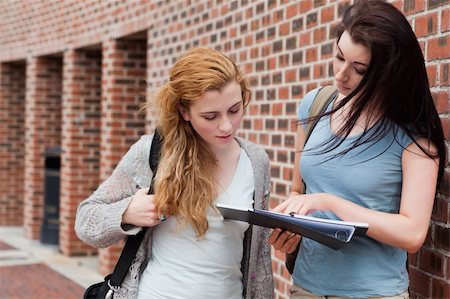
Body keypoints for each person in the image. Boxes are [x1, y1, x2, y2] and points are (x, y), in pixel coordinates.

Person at [269, 0, 446, 298]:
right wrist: (291, 228)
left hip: (372, 293)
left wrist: (331, 203)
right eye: (339, 57)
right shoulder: (315, 105)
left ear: (389, 73)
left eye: (359, 69)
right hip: (305, 288)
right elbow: (299, 190)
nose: (341, 75)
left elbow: (413, 233)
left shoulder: (413, 136)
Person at [75, 47, 274, 299]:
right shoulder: (152, 152)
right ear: (184, 111)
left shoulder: (256, 162)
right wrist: (127, 212)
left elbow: (260, 259)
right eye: (210, 116)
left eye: (234, 110)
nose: (226, 125)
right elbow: (86, 221)